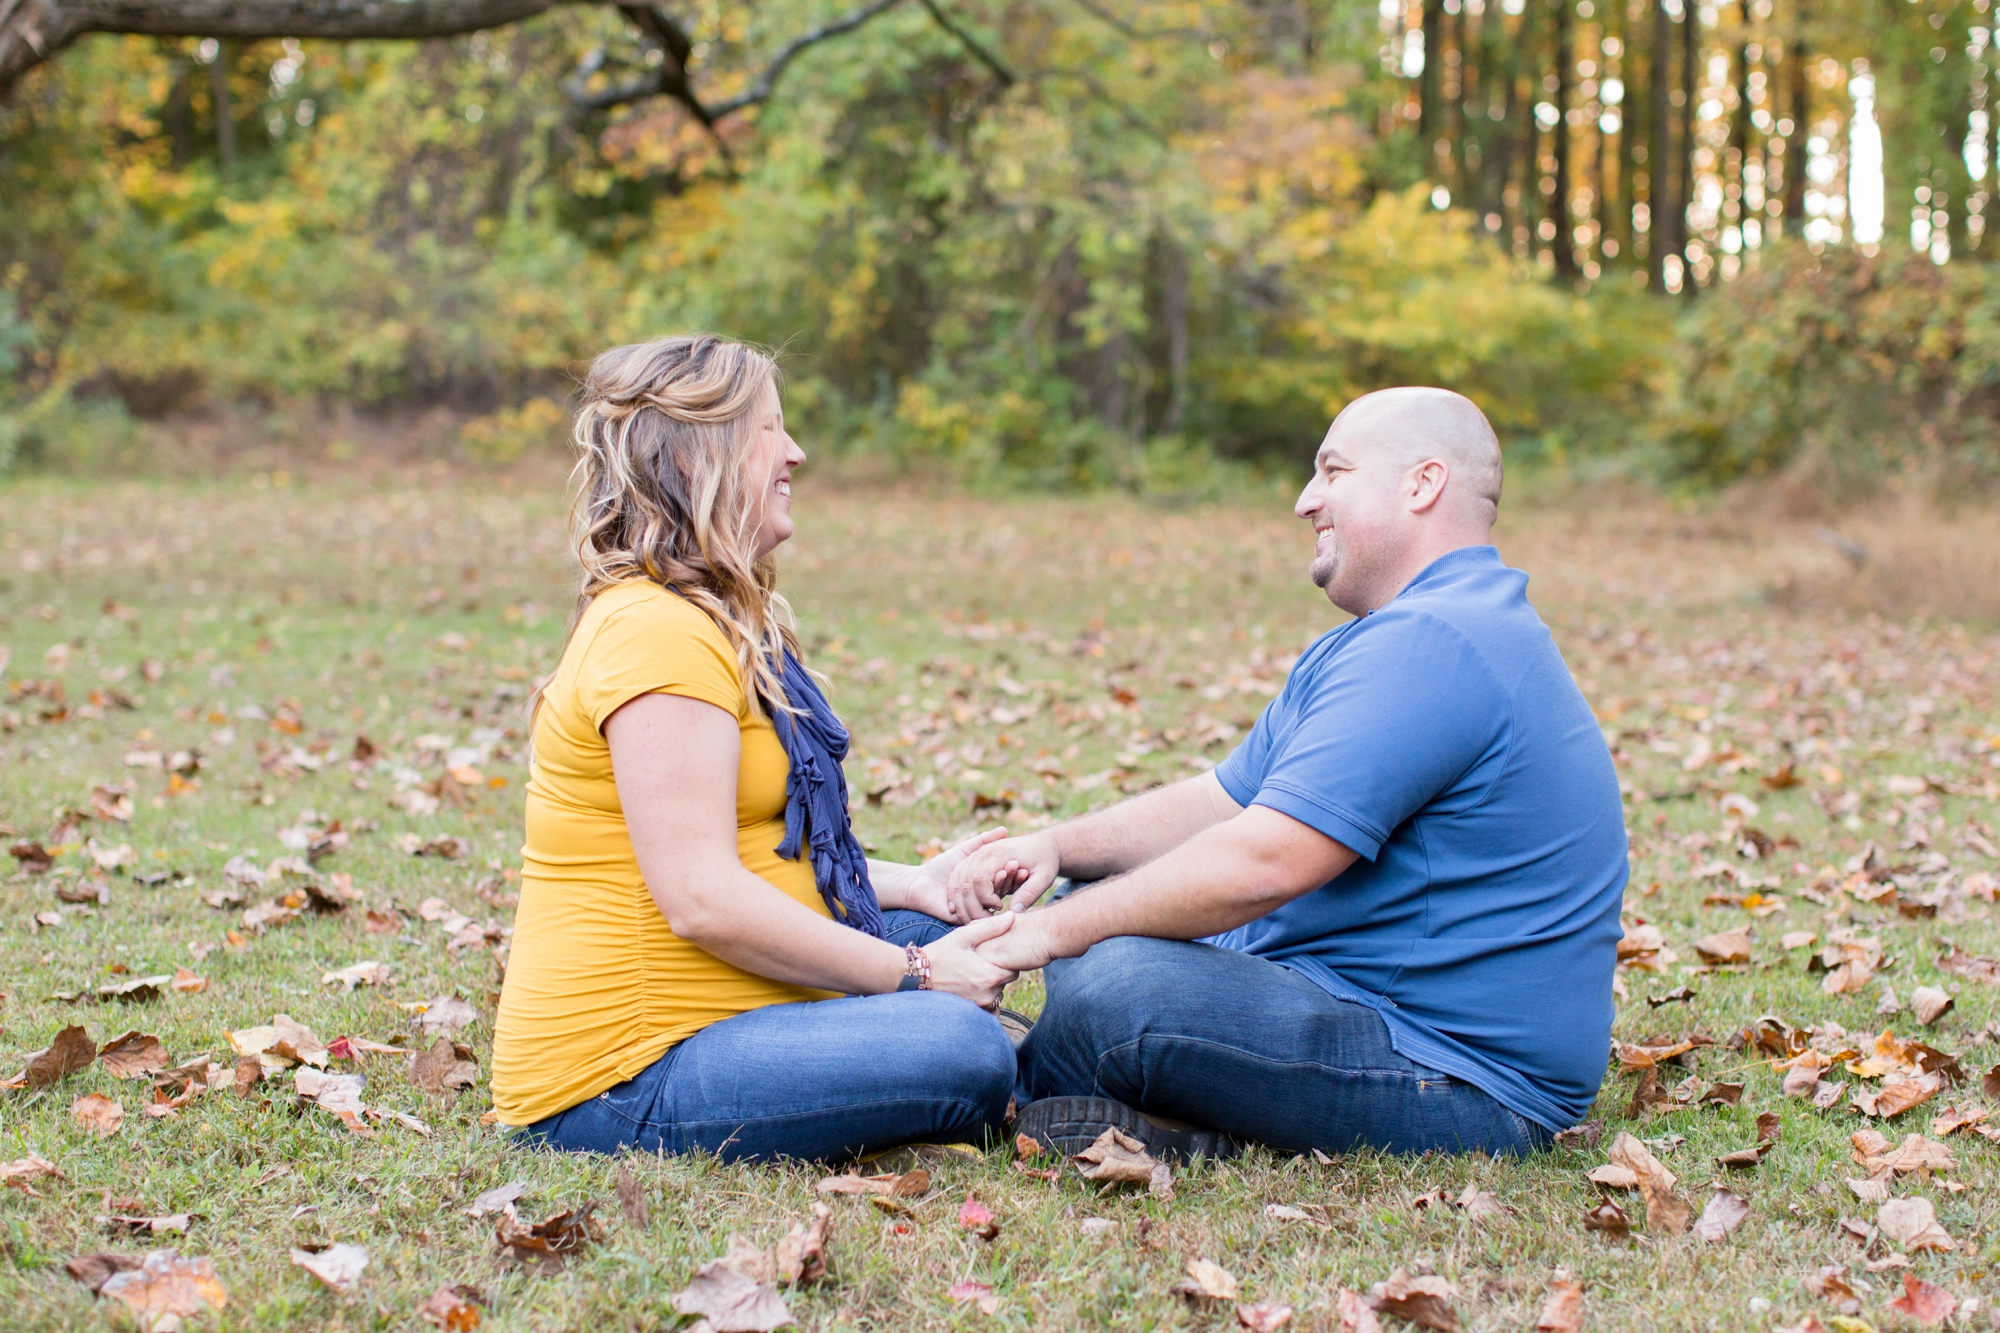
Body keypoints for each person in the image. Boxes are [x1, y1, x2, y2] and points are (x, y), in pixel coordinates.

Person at [949, 387, 1628, 1159]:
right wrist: (1057, 847)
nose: (1306, 500)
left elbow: (1263, 862)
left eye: (1332, 470)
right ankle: (1152, 1105)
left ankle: (993, 1091)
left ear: (1421, 484)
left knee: (1120, 989)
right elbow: (1222, 799)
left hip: (1460, 1076)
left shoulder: (1442, 643)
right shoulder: (1394, 633)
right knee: (1094, 895)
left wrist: (1036, 937)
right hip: (1339, 991)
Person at [492, 334, 1019, 1161]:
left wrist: (922, 883)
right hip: (624, 1080)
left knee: (947, 919)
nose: (797, 454)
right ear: (705, 456)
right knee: (964, 1046)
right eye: (772, 430)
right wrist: (918, 975)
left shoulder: (708, 616)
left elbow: (761, 848)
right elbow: (702, 897)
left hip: (725, 1017)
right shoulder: (653, 634)